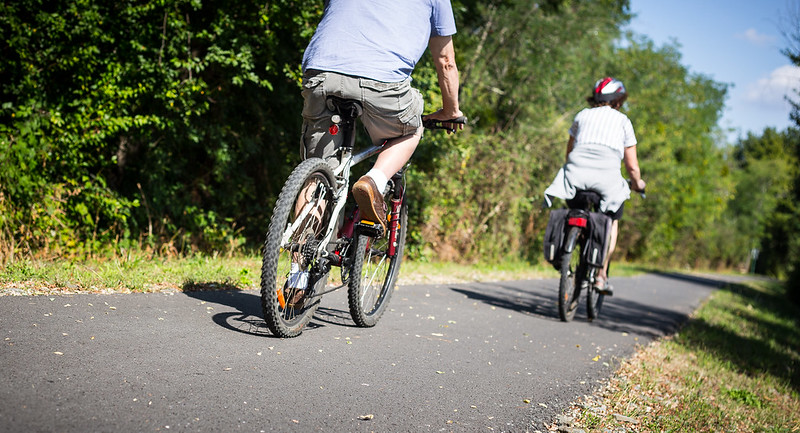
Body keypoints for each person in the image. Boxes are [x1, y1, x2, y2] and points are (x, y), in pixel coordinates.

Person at [300, 0, 464, 234]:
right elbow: (446, 62)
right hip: (382, 82)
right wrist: (451, 111)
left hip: (321, 72)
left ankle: (299, 270)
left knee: (318, 177)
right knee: (411, 128)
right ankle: (374, 180)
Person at [544, 77, 646, 296]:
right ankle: (600, 275)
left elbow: (569, 152)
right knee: (612, 219)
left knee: (574, 206)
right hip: (606, 181)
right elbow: (632, 166)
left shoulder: (581, 115)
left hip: (576, 175)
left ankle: (569, 244)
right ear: (618, 100)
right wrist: (638, 184)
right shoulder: (623, 121)